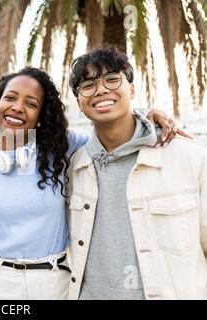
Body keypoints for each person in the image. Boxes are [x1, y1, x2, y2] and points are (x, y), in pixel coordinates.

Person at [0, 65, 183, 300]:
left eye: (31, 104)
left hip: (54, 282)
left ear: (41, 116)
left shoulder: (61, 148)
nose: (18, 107)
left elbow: (114, 134)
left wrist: (149, 116)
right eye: (10, 98)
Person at [66, 46, 207, 300]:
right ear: (79, 102)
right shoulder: (74, 167)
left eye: (112, 79)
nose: (101, 90)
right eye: (88, 85)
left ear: (131, 89)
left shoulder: (190, 157)